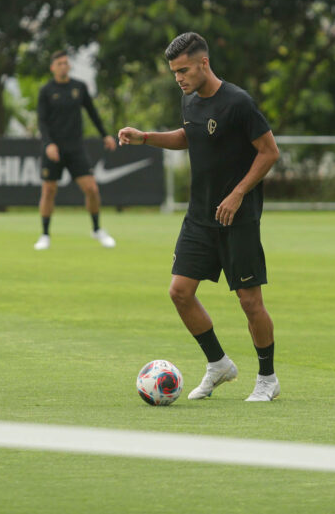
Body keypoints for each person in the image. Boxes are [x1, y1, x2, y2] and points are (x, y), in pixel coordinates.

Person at [118, 32, 281, 402]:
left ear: (204, 63)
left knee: (249, 302)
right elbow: (190, 136)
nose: (179, 78)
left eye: (184, 70)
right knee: (179, 292)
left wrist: (238, 194)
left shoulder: (238, 102)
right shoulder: (189, 100)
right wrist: (146, 137)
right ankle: (218, 364)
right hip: (199, 216)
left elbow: (269, 153)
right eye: (175, 72)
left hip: (236, 217)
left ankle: (268, 378)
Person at [35, 50, 117, 250]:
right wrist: (48, 144)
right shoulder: (46, 91)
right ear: (53, 67)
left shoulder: (79, 88)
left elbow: (92, 112)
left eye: (66, 62)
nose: (63, 66)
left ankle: (97, 229)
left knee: (91, 189)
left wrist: (105, 134)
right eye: (59, 63)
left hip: (75, 148)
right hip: (54, 149)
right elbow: (41, 121)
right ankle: (45, 235)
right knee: (49, 190)